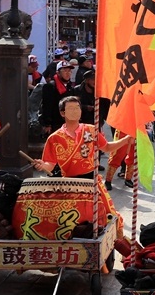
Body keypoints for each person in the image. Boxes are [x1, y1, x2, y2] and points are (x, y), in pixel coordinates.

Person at [31, 95, 133, 241]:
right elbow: (50, 164)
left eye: (77, 108)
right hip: (71, 185)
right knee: (73, 222)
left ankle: (115, 247)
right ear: (62, 113)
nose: (75, 111)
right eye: (70, 108)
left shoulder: (91, 130)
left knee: (109, 216)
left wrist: (125, 140)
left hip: (93, 182)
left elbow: (107, 147)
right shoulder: (54, 138)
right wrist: (42, 165)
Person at [40, 60, 75, 135]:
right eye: (65, 70)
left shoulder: (70, 87)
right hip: (55, 124)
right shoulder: (50, 86)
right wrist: (47, 124)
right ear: (58, 72)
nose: (68, 73)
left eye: (69, 71)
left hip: (67, 122)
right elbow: (47, 106)